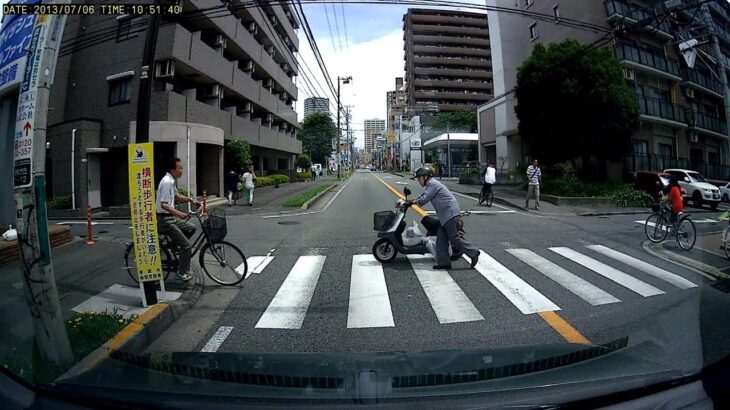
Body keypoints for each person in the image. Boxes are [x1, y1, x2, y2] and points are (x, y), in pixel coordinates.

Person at [410, 167, 480, 270]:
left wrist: (414, 202)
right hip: (446, 216)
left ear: (425, 177)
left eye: (419, 178)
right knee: (441, 239)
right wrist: (413, 200)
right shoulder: (431, 185)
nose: (418, 181)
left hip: (450, 214)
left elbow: (424, 199)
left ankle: (473, 252)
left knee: (453, 238)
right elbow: (423, 195)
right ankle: (444, 263)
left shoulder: (433, 184)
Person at [156, 158, 199, 282]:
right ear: (172, 169)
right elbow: (164, 204)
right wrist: (179, 213)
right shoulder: (167, 182)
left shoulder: (171, 181)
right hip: (165, 220)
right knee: (187, 246)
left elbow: (177, 196)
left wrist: (191, 200)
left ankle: (174, 246)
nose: (182, 170)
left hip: (170, 218)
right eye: (179, 168)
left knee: (191, 228)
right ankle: (181, 273)